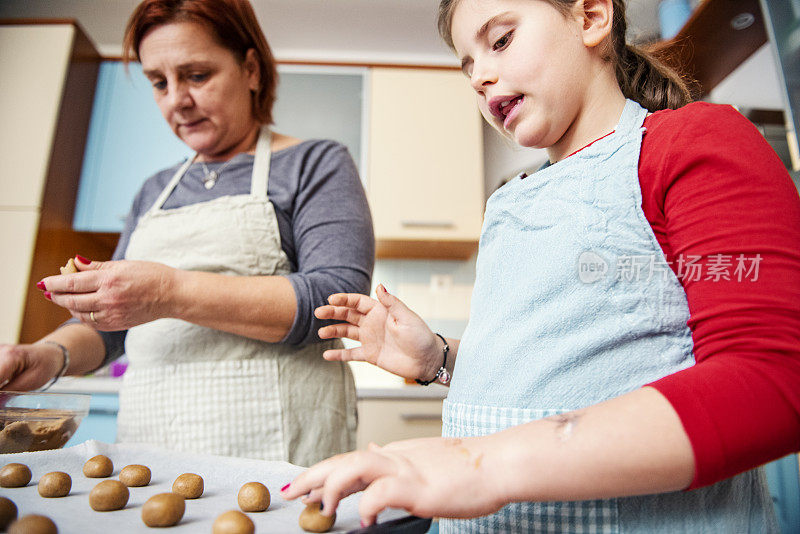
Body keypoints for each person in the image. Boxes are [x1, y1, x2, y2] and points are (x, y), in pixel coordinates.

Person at [281, 0, 800, 531]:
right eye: (467, 67)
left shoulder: (687, 144)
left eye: (500, 41)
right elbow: (569, 368)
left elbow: (772, 376)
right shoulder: (511, 202)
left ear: (592, 16)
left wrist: (480, 465)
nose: (481, 77)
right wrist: (440, 358)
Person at [0, 0, 374, 467]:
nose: (176, 99)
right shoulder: (153, 190)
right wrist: (45, 357)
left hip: (282, 453)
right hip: (151, 452)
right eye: (159, 82)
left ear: (251, 70)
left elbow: (336, 302)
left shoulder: (315, 163)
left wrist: (168, 291)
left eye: (196, 75)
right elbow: (108, 330)